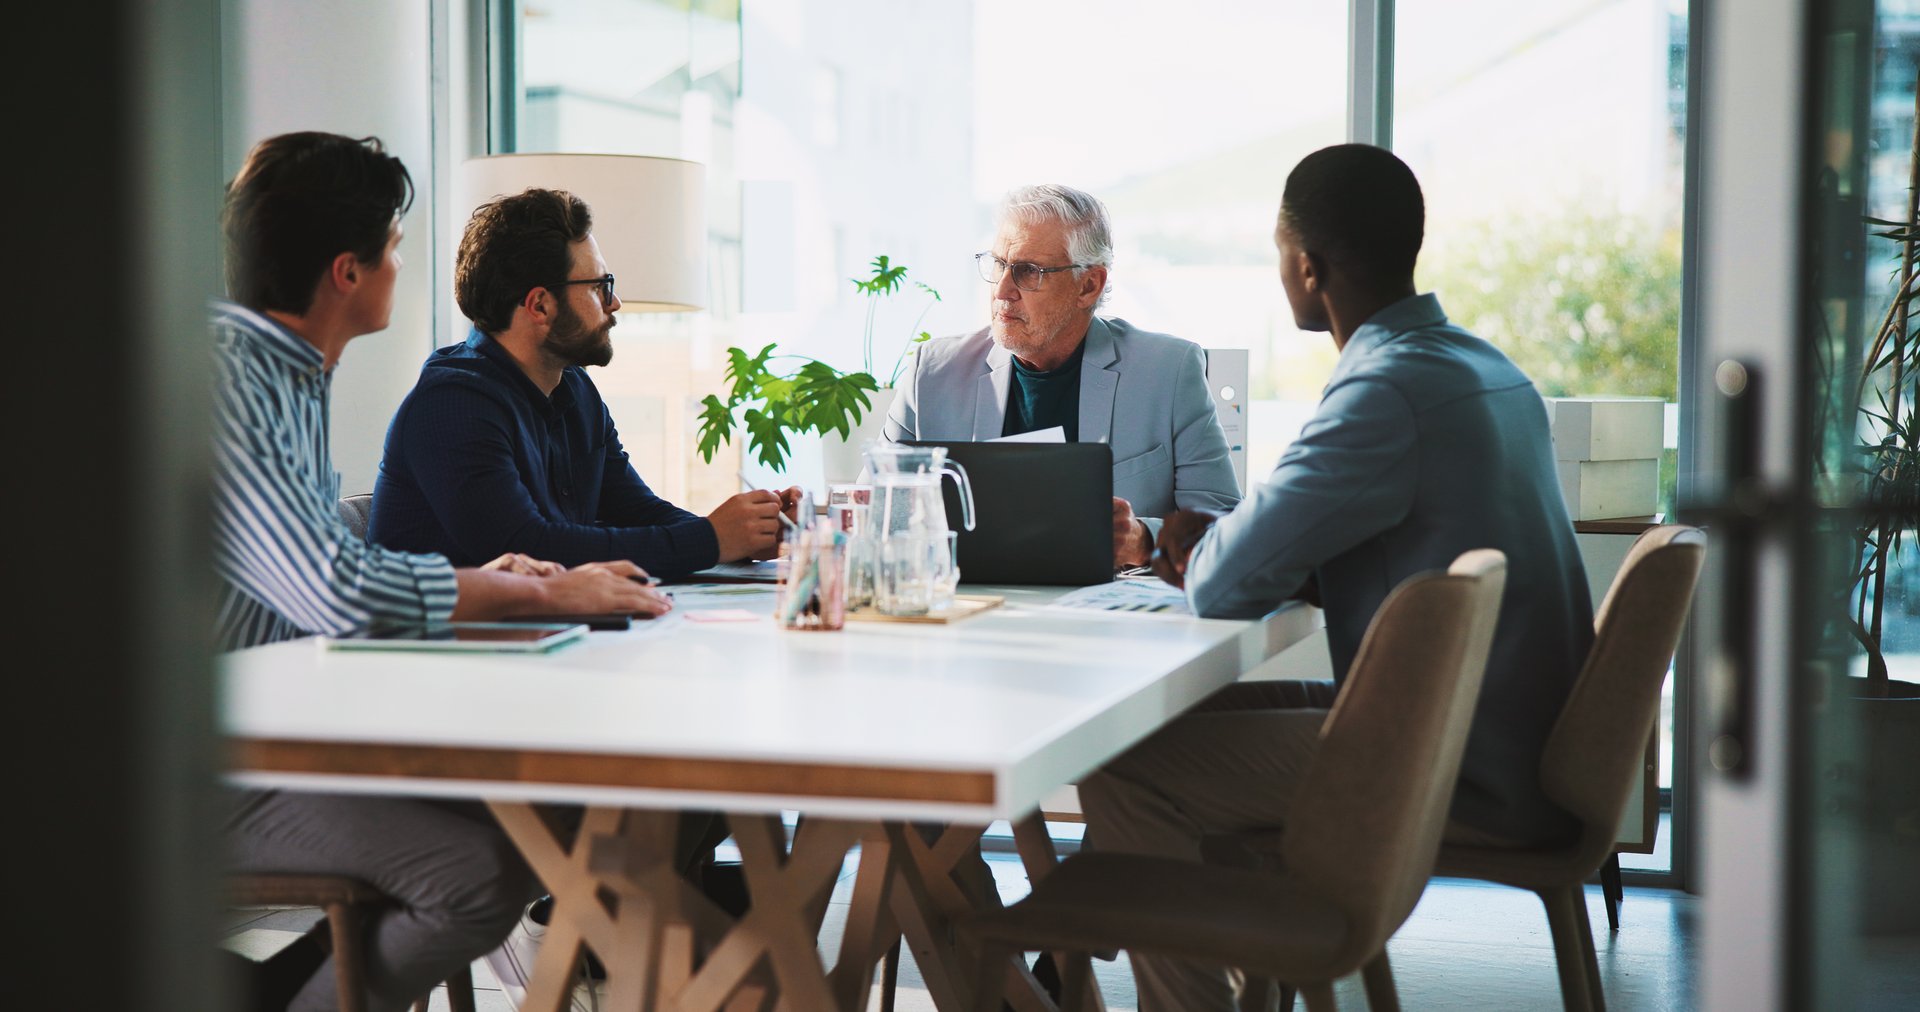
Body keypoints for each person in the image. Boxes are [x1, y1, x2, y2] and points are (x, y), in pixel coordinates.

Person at [1082, 144, 1595, 1010]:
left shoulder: (1382, 393)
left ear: (1307, 265)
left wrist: (1205, 549)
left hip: (1455, 761)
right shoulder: (1484, 368)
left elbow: (1218, 590)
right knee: (1148, 734)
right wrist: (1246, 549)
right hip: (1510, 734)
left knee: (1123, 769)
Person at [215, 132, 670, 1012]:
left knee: (532, 830)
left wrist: (489, 576)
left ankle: (277, 987)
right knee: (477, 870)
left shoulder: (285, 375)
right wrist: (536, 587)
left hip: (292, 731)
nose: (400, 267)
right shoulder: (235, 377)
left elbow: (323, 570)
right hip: (193, 767)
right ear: (349, 271)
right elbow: (334, 593)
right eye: (392, 248)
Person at [367, 186, 798, 580]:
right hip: (440, 657)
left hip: (532, 641)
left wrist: (746, 533)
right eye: (599, 286)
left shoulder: (573, 387)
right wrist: (710, 540)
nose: (615, 303)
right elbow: (531, 548)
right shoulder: (452, 404)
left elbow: (635, 511)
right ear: (539, 305)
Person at [883, 183, 1241, 569]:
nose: (1003, 290)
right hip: (971, 609)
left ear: (1088, 286)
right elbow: (874, 511)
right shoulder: (933, 373)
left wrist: (1144, 540)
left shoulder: (1169, 372)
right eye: (999, 264)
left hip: (1102, 619)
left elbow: (1227, 527)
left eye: (1027, 272)